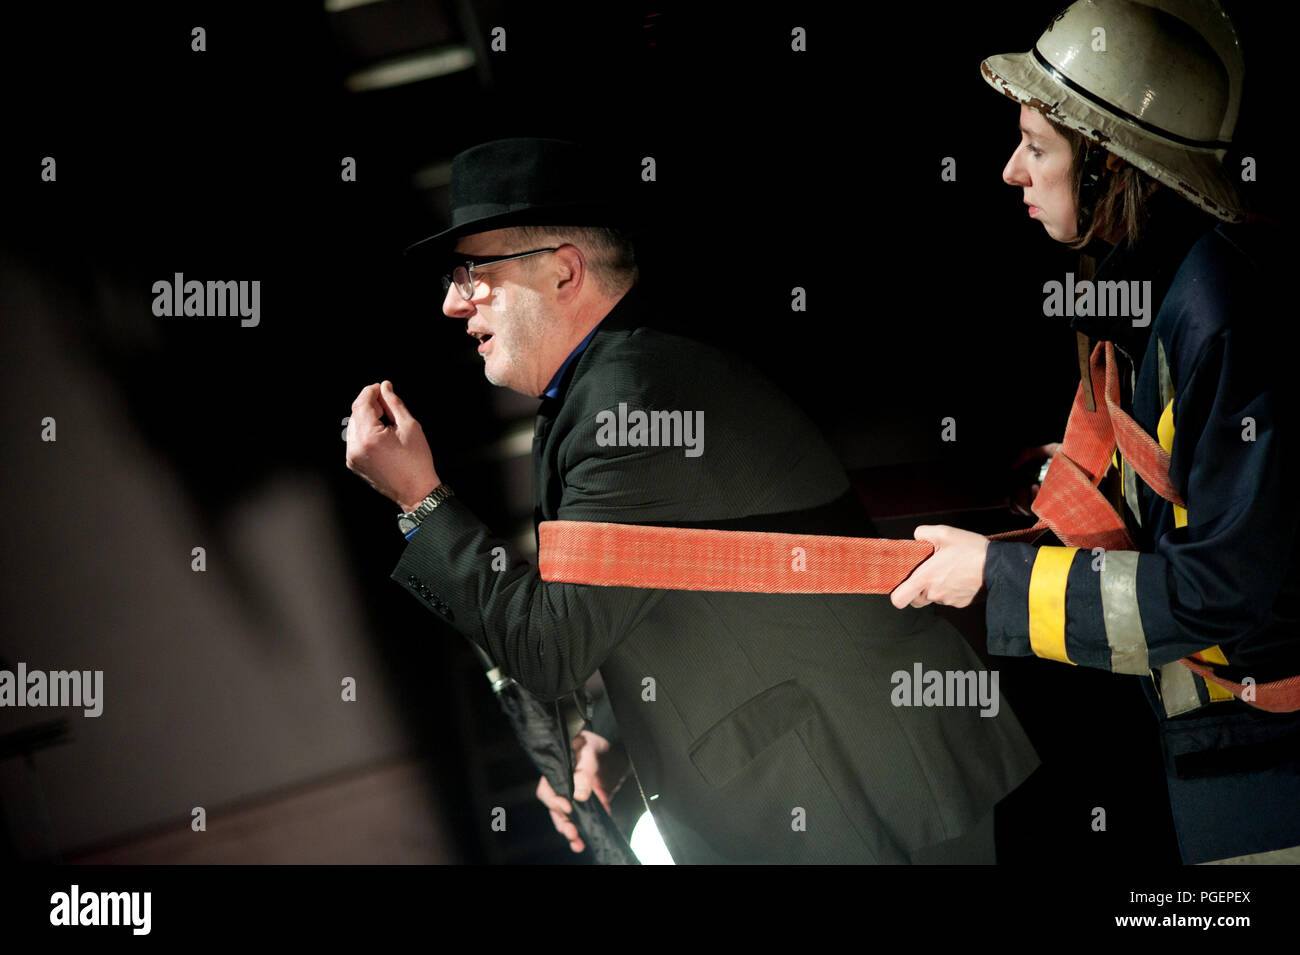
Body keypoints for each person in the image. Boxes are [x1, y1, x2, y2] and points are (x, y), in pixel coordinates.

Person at [346, 137, 1039, 863]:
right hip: (834, 778)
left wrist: (419, 500)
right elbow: (657, 590)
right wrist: (613, 731)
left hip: (856, 790)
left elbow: (548, 645)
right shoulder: (611, 382)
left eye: (473, 273)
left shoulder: (630, 395)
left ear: (563, 270)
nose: (454, 302)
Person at [891, 0, 1300, 863]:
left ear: (1114, 167)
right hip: (1219, 740)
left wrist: (997, 576)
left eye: (1037, 145)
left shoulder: (1220, 312)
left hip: (1267, 763)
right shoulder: (1156, 291)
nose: (1011, 171)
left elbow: (1225, 587)